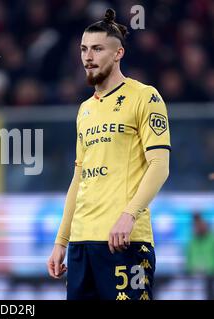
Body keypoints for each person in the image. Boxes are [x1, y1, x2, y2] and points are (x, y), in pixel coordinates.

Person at [47, 8, 170, 300]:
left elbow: (159, 165)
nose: (88, 57)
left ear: (118, 54)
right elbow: (79, 177)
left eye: (98, 49)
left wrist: (128, 215)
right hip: (81, 245)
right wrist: (61, 241)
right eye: (84, 49)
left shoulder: (145, 96)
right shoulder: (85, 110)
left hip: (124, 241)